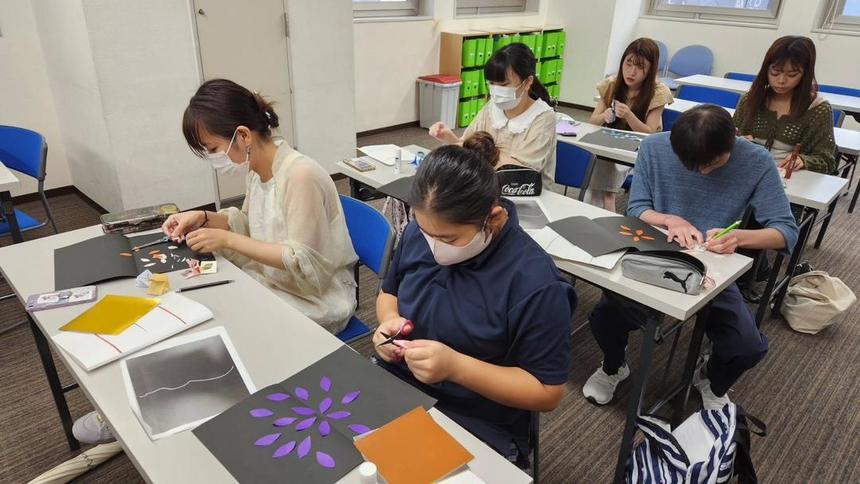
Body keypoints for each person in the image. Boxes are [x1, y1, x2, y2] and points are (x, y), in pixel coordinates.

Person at [373, 132, 576, 468]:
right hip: (400, 384)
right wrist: (387, 324)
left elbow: (547, 391)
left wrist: (456, 367)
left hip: (475, 417)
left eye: (448, 238)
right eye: (425, 232)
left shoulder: (534, 283)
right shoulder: (417, 233)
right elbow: (388, 292)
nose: (433, 246)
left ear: (492, 219)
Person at [583, 105, 798, 410]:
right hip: (656, 256)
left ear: (733, 141)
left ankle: (710, 377)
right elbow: (636, 209)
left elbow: (786, 232)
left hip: (713, 267)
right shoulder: (656, 147)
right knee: (606, 316)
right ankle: (614, 366)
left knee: (746, 346)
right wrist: (670, 220)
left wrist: (740, 237)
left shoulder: (756, 161)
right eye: (690, 164)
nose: (701, 171)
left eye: (711, 163)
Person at [429, 43, 557, 189]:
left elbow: (520, 172)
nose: (496, 91)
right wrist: (449, 138)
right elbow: (469, 146)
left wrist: (482, 150)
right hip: (487, 187)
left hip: (524, 192)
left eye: (503, 84)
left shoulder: (543, 117)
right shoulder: (492, 107)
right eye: (491, 84)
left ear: (527, 82)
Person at [585, 38, 674, 212]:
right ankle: (600, 207)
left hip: (639, 152)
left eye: (640, 67)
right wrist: (604, 115)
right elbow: (592, 122)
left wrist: (628, 115)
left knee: (603, 175)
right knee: (600, 165)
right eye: (628, 64)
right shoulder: (612, 84)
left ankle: (603, 209)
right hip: (611, 146)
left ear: (650, 70)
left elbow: (650, 133)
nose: (631, 72)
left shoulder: (658, 92)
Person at [734, 36, 837, 175]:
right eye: (775, 72)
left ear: (805, 74)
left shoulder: (818, 109)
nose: (781, 80)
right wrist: (737, 141)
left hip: (787, 178)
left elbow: (826, 161)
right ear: (766, 69)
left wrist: (804, 160)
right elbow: (728, 136)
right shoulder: (751, 99)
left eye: (792, 74)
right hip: (746, 170)